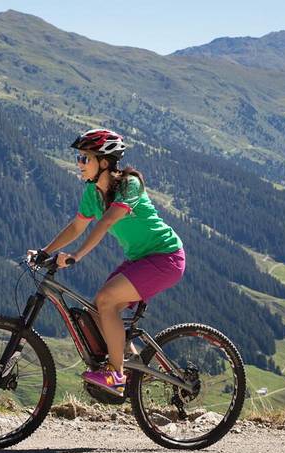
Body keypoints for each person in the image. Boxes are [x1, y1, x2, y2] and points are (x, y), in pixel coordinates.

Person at [39, 128, 186, 395]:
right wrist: (45, 251)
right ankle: (130, 364)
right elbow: (76, 226)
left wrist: (75, 256)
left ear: (104, 162)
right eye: (79, 158)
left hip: (166, 258)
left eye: (85, 158)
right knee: (99, 308)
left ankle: (116, 375)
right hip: (140, 258)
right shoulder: (91, 193)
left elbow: (107, 221)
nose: (79, 164)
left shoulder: (129, 184)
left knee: (107, 299)